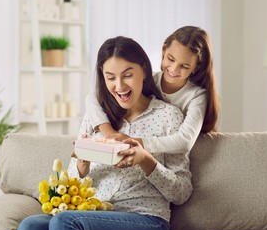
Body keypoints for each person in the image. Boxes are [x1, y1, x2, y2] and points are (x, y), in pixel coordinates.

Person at [16, 36, 191, 230]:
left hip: (146, 220)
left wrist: (146, 160)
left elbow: (182, 192)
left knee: (66, 221)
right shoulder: (96, 116)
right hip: (92, 214)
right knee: (30, 227)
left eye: (127, 75)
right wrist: (82, 165)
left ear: (143, 70)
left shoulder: (168, 116)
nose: (119, 86)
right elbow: (73, 179)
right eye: (110, 78)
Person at [86, 26, 220, 159]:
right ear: (163, 50)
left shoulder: (197, 96)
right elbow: (93, 97)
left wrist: (135, 142)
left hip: (168, 155)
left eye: (184, 66)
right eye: (171, 59)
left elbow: (185, 141)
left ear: (196, 66)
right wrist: (109, 133)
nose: (173, 69)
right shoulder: (149, 79)